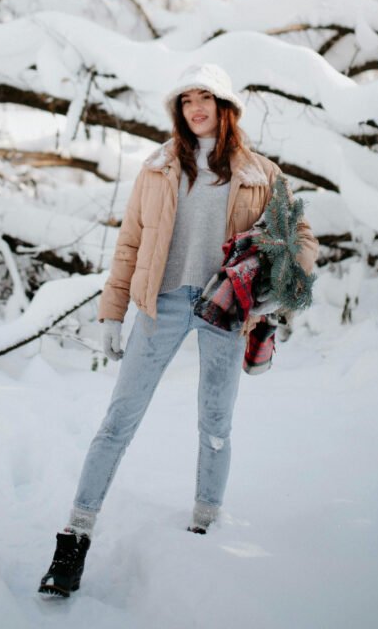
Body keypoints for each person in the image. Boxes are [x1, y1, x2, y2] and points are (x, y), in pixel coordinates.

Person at [38, 63, 319, 597]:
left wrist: (284, 285)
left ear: (224, 106)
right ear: (178, 110)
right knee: (117, 422)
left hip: (226, 307)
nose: (195, 108)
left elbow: (300, 233)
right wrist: (111, 312)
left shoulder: (261, 172)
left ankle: (204, 528)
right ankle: (72, 541)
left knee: (216, 423)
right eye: (186, 99)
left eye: (205, 98)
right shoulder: (158, 168)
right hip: (161, 302)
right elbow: (129, 243)